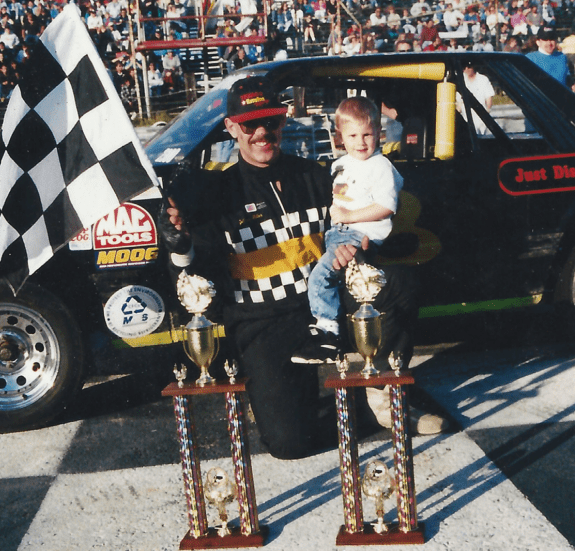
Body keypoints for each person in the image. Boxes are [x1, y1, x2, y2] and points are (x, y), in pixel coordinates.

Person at [160, 77, 443, 459]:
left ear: (283, 122)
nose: (263, 133)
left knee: (398, 283)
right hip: (262, 322)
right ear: (231, 128)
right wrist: (180, 245)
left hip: (324, 308)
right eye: (249, 125)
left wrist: (356, 248)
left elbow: (357, 226)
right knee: (288, 443)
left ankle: (386, 394)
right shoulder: (214, 194)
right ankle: (370, 411)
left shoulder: (316, 174)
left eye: (271, 123)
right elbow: (195, 278)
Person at [291, 97, 402, 365]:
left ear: (379, 132)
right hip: (337, 233)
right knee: (316, 274)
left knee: (320, 276)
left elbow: (387, 206)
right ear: (340, 136)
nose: (360, 142)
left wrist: (350, 217)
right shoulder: (341, 165)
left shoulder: (381, 166)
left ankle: (328, 334)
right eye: (352, 135)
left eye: (367, 134)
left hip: (360, 235)